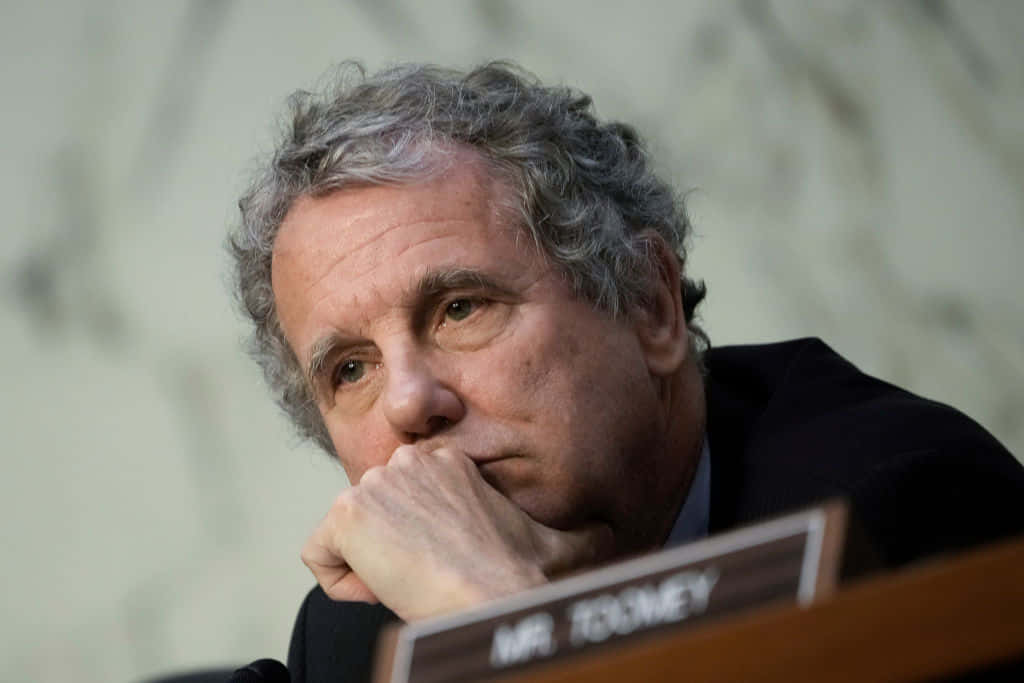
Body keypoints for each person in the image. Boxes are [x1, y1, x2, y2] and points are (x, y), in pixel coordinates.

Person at [229, 62, 1024, 682]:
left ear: (650, 305)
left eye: (461, 309)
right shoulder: (360, 629)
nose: (409, 402)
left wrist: (503, 623)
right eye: (351, 369)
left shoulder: (905, 512)